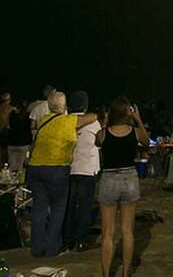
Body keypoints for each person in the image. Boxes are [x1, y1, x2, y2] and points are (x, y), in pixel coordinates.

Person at [27, 91, 97, 257]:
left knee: (39, 208)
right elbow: (92, 117)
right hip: (56, 168)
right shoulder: (69, 121)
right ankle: (52, 247)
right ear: (65, 106)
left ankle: (37, 248)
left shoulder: (43, 120)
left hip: (35, 167)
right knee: (58, 208)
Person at [96, 97, 149, 277]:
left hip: (109, 179)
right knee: (127, 231)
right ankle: (126, 273)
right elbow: (147, 142)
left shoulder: (104, 133)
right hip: (129, 178)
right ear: (128, 112)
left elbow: (98, 141)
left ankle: (106, 274)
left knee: (107, 233)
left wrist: (105, 122)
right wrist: (138, 119)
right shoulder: (134, 132)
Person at [65, 90, 101, 252]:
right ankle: (81, 240)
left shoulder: (66, 121)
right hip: (87, 169)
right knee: (85, 206)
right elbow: (99, 142)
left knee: (70, 206)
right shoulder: (93, 122)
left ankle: (68, 239)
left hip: (70, 168)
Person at [7, 97, 33, 172]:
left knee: (12, 167)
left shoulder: (12, 114)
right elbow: (30, 128)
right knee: (21, 167)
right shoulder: (28, 115)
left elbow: (9, 126)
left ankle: (12, 178)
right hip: (24, 143)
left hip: (11, 142)